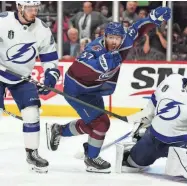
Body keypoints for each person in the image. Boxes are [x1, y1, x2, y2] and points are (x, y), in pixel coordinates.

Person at [46, 6, 171, 173]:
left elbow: (138, 28)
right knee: (101, 123)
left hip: (94, 90)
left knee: (95, 124)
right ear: (104, 36)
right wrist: (99, 65)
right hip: (77, 89)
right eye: (111, 38)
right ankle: (91, 158)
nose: (114, 42)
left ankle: (59, 130)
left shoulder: (125, 41)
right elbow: (79, 68)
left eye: (117, 38)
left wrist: (153, 18)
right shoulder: (94, 50)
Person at [0, 1, 60, 173]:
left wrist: (50, 76)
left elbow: (49, 58)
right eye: (29, 8)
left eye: (36, 8)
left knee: (32, 112)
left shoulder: (42, 29)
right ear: (19, 8)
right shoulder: (3, 22)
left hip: (22, 77)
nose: (34, 12)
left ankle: (32, 153)